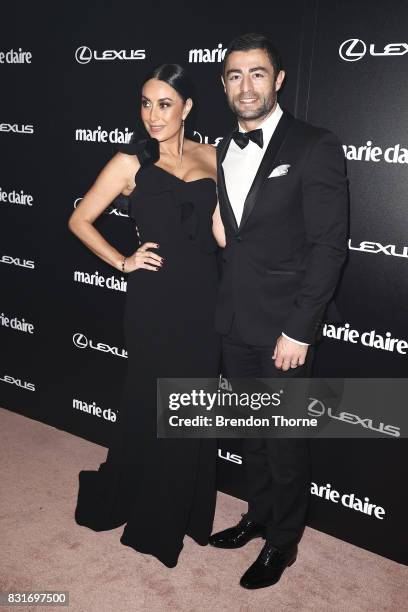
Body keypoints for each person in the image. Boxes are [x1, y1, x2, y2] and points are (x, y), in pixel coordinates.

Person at [69, 63, 226, 568]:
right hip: (154, 300)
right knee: (150, 397)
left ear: (187, 107)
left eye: (163, 104)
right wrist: (123, 262)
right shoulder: (128, 162)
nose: (152, 115)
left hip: (205, 297)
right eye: (145, 103)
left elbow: (223, 232)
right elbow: (79, 219)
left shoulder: (214, 156)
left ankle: (186, 509)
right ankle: (153, 516)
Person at [209, 33, 348, 589]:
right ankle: (257, 515)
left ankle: (283, 543)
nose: (247, 85)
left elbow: (329, 246)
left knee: (286, 441)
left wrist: (300, 328)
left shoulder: (315, 145)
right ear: (224, 84)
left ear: (279, 80)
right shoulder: (221, 148)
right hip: (236, 321)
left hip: (285, 328)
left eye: (257, 73)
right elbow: (233, 235)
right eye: (236, 75)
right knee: (252, 434)